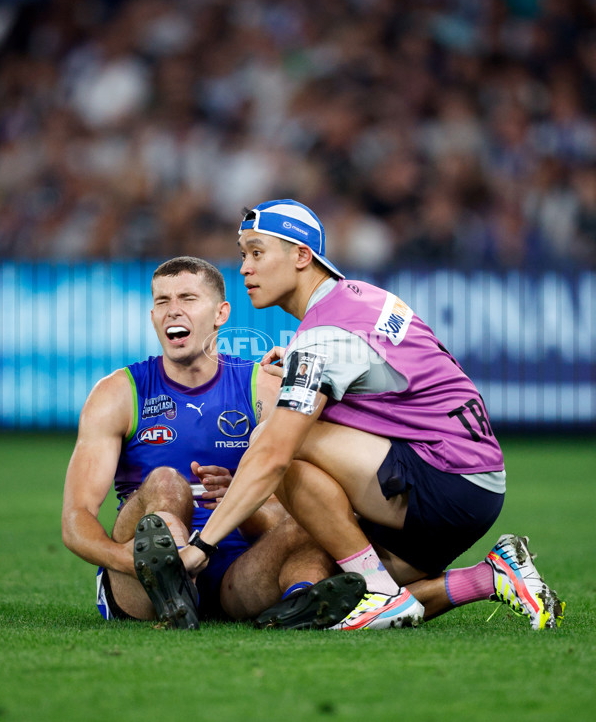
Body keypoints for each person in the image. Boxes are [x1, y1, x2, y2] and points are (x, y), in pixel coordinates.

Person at [177, 200, 565, 631]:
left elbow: (273, 454)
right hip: (475, 483)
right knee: (343, 591)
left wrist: (203, 545)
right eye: (243, 254)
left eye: (257, 252)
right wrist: (298, 362)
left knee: (274, 438)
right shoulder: (363, 298)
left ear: (302, 256)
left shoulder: (323, 337)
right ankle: (490, 576)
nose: (245, 268)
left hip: (443, 479)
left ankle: (378, 591)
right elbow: (393, 373)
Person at [62, 255, 365, 630]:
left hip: (238, 571)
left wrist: (247, 502)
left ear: (221, 314)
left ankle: (300, 601)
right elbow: (76, 520)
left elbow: (298, 503)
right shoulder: (118, 394)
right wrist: (134, 561)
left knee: (315, 520)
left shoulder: (264, 388)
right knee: (166, 483)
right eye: (162, 302)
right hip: (140, 584)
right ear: (152, 317)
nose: (173, 311)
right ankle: (170, 583)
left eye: (187, 299)